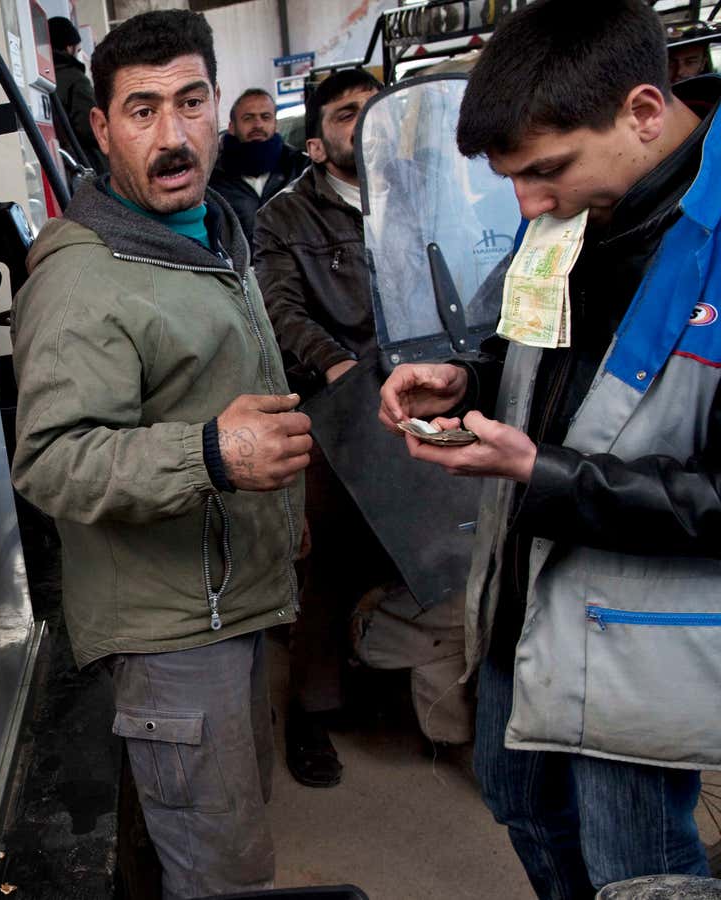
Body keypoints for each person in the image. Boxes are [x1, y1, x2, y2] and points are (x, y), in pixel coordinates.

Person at [379, 0, 720, 892]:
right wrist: (468, 379)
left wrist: (544, 475)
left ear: (645, 112)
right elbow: (526, 346)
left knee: (637, 867)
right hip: (521, 592)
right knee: (519, 800)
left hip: (638, 630)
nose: (529, 205)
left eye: (546, 172)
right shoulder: (565, 215)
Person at [12, 11, 309, 897]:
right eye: (141, 111)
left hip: (232, 596)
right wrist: (214, 454)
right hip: (173, 629)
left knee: (233, 837)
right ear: (100, 128)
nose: (173, 136)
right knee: (220, 872)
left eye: (190, 101)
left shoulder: (212, 229)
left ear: (219, 106)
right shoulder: (82, 276)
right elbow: (53, 461)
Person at [253, 69, 385, 789]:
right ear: (313, 143)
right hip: (334, 400)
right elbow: (278, 309)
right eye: (344, 114)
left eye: (372, 108)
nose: (362, 124)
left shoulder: (423, 192)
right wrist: (337, 366)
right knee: (327, 558)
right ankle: (309, 709)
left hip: (425, 387)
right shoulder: (285, 216)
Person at [210, 87, 310, 245]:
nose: (258, 124)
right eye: (248, 118)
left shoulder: (301, 168)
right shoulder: (212, 178)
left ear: (275, 124)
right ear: (231, 127)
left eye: (265, 117)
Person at [49, 15, 106, 175]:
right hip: (84, 164)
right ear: (69, 47)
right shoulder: (75, 78)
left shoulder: (47, 78)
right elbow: (89, 128)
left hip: (61, 165)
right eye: (78, 49)